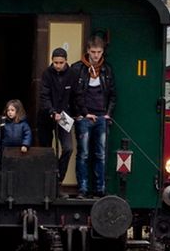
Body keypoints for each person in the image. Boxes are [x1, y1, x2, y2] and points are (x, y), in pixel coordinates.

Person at [71, 36, 115, 198]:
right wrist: (81, 114)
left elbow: (112, 94)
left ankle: (100, 189)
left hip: (101, 117)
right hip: (84, 117)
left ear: (103, 52)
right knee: (83, 154)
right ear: (88, 51)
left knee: (100, 155)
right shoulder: (78, 69)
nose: (96, 55)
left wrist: (108, 114)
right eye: (93, 52)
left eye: (99, 52)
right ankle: (82, 189)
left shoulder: (107, 70)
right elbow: (75, 95)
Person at [38, 47, 75, 183]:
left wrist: (81, 113)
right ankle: (47, 181)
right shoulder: (47, 73)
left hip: (64, 116)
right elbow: (44, 95)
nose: (58, 65)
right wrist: (52, 111)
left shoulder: (72, 74)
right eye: (55, 62)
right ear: (52, 61)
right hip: (46, 116)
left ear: (66, 61)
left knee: (68, 148)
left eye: (61, 62)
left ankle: (58, 178)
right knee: (47, 150)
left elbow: (76, 96)